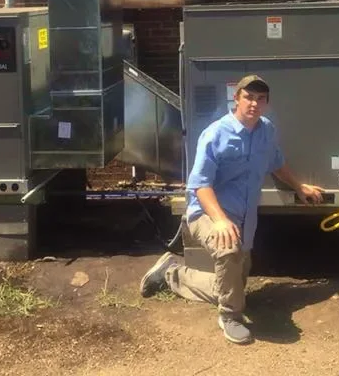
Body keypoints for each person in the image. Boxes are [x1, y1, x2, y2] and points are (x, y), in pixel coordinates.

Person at [139, 74, 324, 345]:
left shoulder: (266, 130)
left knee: (233, 285)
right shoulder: (215, 134)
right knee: (229, 251)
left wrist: (299, 186)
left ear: (267, 103)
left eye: (261, 99)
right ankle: (230, 317)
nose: (254, 103)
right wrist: (220, 221)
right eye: (248, 97)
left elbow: (276, 163)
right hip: (208, 213)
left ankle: (172, 274)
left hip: (244, 218)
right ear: (236, 98)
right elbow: (200, 185)